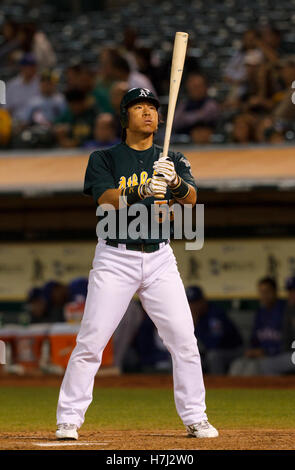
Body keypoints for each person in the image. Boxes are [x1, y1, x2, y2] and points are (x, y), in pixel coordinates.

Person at [55, 87, 218, 440]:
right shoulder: (105, 158)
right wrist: (141, 191)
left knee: (184, 340)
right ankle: (69, 418)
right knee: (91, 341)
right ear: (124, 116)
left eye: (152, 108)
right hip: (115, 256)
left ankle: (195, 416)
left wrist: (173, 181)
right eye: (139, 107)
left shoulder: (171, 157)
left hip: (160, 257)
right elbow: (104, 198)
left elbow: (192, 200)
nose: (148, 113)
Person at [229, 277, 286, 376]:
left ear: (275, 292)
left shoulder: (285, 310)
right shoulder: (260, 312)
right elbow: (254, 338)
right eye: (261, 292)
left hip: (276, 355)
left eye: (267, 291)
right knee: (237, 365)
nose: (264, 295)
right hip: (260, 355)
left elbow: (288, 341)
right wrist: (252, 350)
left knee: (252, 368)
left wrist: (267, 351)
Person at [186, 286, 243, 374]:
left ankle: (217, 385)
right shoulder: (193, 316)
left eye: (195, 303)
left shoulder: (215, 314)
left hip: (233, 350)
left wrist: (195, 325)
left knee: (213, 356)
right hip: (212, 350)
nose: (192, 306)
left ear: (203, 301)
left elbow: (215, 343)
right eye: (190, 303)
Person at [173, 72, 220, 139]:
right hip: (184, 142)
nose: (196, 89)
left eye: (199, 86)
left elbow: (202, 116)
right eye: (193, 86)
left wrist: (186, 117)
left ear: (206, 87)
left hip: (208, 143)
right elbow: (175, 122)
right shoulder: (183, 104)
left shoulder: (211, 104)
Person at [5, 53, 40, 123]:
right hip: (16, 122)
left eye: (32, 66)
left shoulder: (41, 84)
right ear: (22, 67)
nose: (29, 69)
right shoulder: (12, 85)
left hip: (36, 122)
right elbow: (6, 109)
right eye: (27, 66)